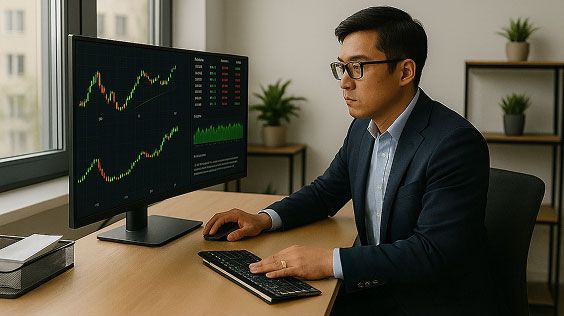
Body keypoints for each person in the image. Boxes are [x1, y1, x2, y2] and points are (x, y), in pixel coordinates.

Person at [203, 6, 500, 316]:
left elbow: (432, 252)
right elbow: (325, 192)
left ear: (405, 72)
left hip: (433, 301)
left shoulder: (454, 143)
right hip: (378, 286)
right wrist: (263, 219)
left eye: (357, 66)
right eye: (341, 67)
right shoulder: (363, 128)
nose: (344, 82)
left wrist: (329, 260)